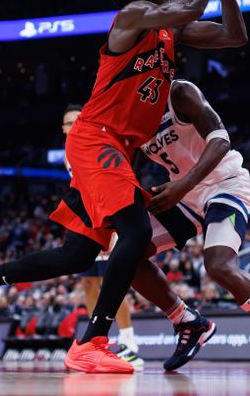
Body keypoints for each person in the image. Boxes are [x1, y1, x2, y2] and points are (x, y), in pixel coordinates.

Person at [0, 0, 247, 374]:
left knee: (79, 253)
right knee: (136, 232)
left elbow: (234, 35)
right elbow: (189, 4)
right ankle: (94, 341)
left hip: (115, 150)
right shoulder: (131, 17)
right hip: (96, 140)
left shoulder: (170, 31)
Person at [137, 79, 250, 371]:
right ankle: (188, 322)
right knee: (127, 252)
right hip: (183, 194)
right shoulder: (129, 115)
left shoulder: (179, 92)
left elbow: (221, 140)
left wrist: (183, 185)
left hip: (225, 183)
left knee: (219, 265)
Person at [61, 104, 142, 367]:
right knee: (88, 284)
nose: (74, 126)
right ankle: (96, 340)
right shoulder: (67, 153)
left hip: (109, 215)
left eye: (78, 121)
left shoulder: (95, 143)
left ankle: (129, 343)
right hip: (87, 219)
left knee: (113, 281)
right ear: (63, 129)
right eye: (69, 123)